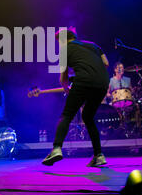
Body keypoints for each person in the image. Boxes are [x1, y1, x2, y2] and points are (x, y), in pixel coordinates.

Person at [42, 28, 109, 167]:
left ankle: (56, 149)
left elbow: (63, 79)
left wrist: (67, 90)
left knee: (67, 115)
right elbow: (106, 63)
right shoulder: (93, 45)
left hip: (83, 81)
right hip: (103, 83)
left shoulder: (65, 50)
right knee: (88, 117)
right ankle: (99, 155)